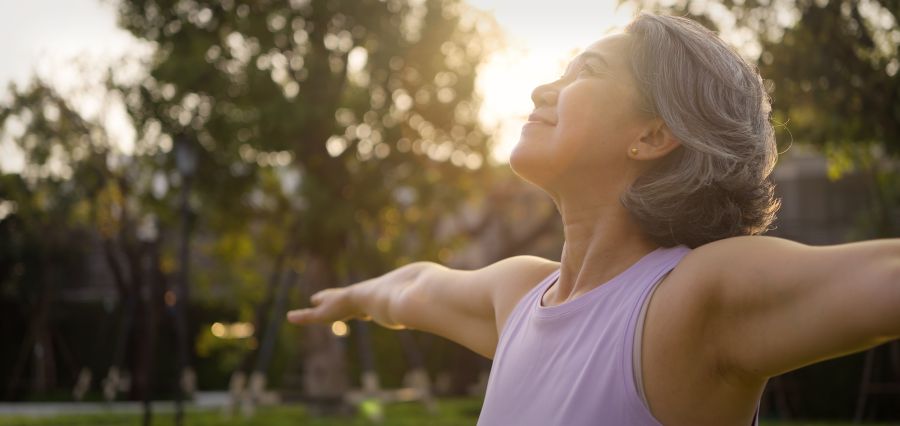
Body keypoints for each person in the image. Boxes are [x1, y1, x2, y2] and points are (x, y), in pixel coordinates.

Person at [287, 13, 900, 425]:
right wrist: (351, 299)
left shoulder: (689, 301)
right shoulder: (520, 295)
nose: (540, 91)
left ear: (653, 133)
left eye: (586, 72)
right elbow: (414, 288)